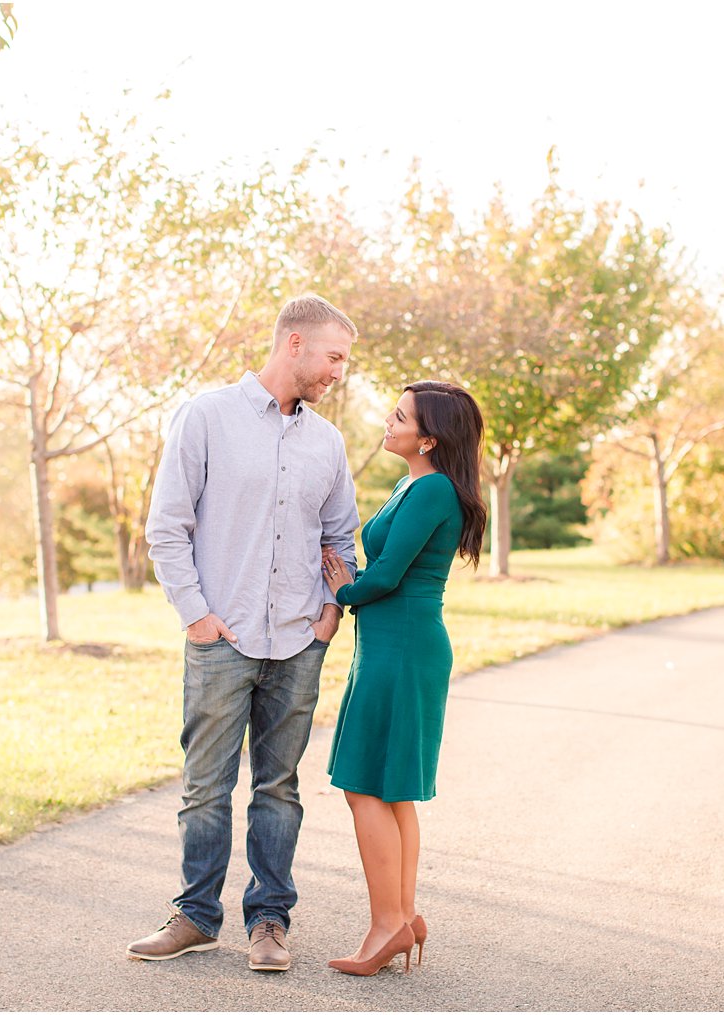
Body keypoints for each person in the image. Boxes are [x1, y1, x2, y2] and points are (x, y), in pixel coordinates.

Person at [130, 294, 361, 973]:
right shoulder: (206, 417)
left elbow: (339, 534)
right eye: (334, 356)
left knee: (278, 787)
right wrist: (197, 615)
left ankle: (269, 920)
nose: (339, 372)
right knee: (205, 786)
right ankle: (197, 915)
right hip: (221, 636)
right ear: (294, 344)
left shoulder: (328, 441)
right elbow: (168, 526)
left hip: (297, 638)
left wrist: (329, 612)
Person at [319, 380, 487, 976]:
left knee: (364, 785)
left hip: (404, 649)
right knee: (390, 788)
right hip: (394, 646)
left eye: (400, 417)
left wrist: (343, 589)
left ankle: (389, 922)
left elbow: (386, 576)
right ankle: (401, 916)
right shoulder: (413, 483)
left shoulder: (434, 488)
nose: (387, 423)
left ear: (430, 437)